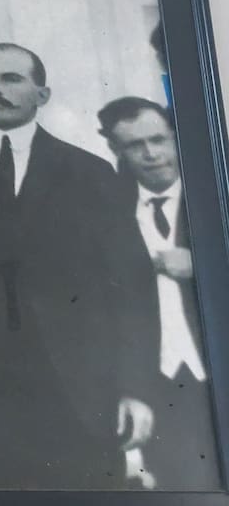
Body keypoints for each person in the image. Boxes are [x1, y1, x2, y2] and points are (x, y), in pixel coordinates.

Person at [0, 44, 158, 488]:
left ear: (41, 95)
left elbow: (133, 288)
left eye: (11, 79)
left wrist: (135, 389)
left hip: (77, 390)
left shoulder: (90, 174)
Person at [97, 96, 218, 489]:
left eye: (159, 140)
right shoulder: (108, 212)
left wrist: (203, 266)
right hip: (162, 384)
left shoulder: (217, 192)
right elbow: (111, 314)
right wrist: (132, 389)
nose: (152, 154)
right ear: (115, 149)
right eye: (135, 145)